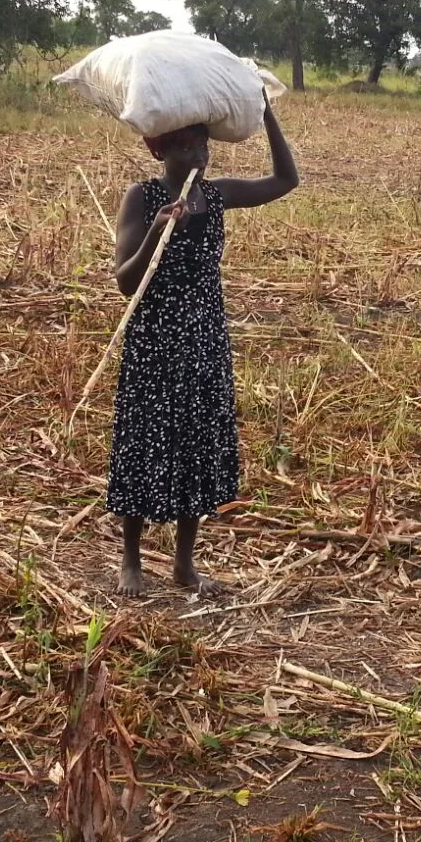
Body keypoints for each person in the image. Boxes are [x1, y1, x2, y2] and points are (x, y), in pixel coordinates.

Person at [108, 97, 298, 596]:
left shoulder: (216, 197)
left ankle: (184, 565)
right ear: (161, 151)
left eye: (203, 143)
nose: (199, 154)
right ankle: (131, 559)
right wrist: (156, 232)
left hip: (203, 339)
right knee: (143, 442)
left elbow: (285, 181)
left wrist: (267, 114)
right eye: (187, 144)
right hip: (153, 341)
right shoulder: (142, 197)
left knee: (198, 446)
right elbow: (126, 283)